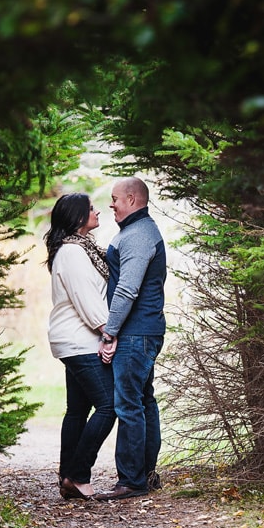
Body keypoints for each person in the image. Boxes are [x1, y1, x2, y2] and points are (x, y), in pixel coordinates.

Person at [94, 177, 167, 501]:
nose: (111, 205)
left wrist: (110, 331)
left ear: (133, 199)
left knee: (128, 404)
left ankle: (132, 480)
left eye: (115, 199)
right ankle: (146, 474)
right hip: (143, 331)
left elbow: (127, 289)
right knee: (143, 400)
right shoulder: (137, 231)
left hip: (137, 332)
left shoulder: (138, 235)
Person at [44, 191, 116, 501]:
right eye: (90, 209)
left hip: (74, 340)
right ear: (76, 218)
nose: (98, 211)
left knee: (77, 410)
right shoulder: (73, 253)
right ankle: (78, 474)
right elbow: (86, 299)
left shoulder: (78, 249)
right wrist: (108, 333)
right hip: (80, 340)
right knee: (109, 405)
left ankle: (67, 477)